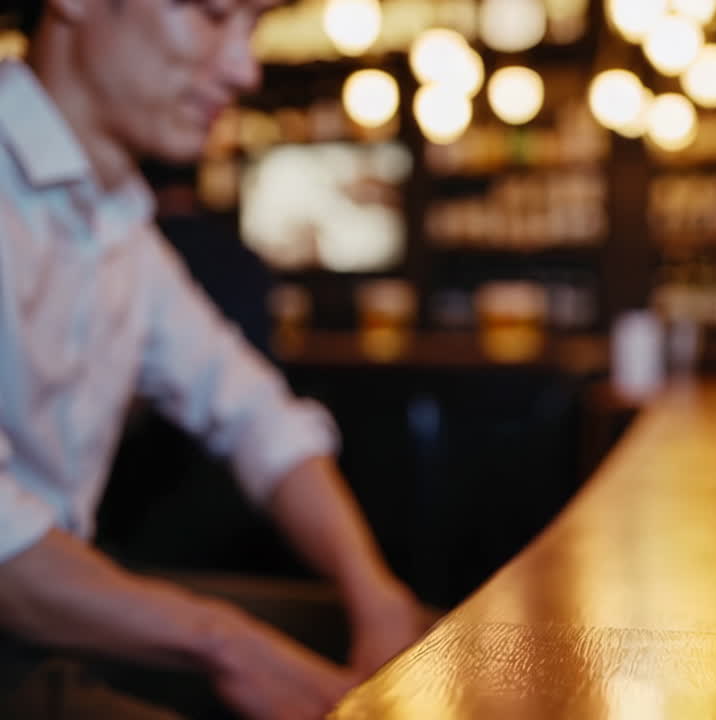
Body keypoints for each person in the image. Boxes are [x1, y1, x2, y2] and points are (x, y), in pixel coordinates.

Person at [0, 1, 433, 718]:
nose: (244, 69)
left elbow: (259, 416)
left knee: (425, 637)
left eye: (253, 26)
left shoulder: (115, 226)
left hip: (34, 644)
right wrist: (221, 642)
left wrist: (377, 594)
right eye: (211, 13)